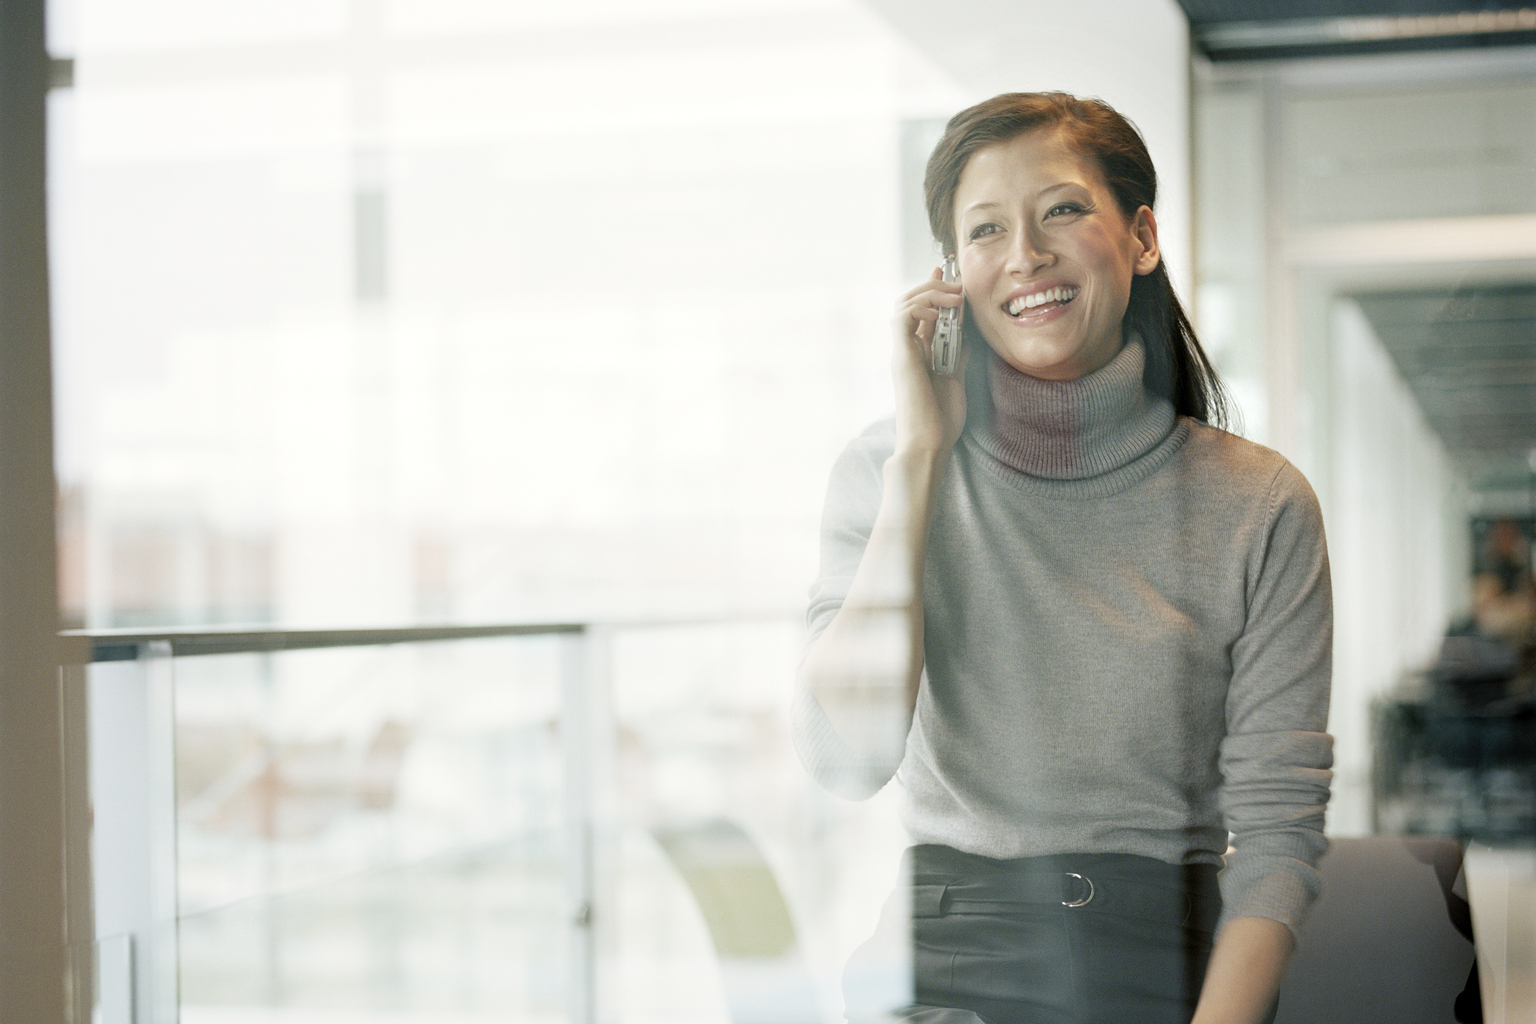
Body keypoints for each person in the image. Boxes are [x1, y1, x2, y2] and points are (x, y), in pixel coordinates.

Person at [793, 92, 1333, 1024]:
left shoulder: (1260, 503)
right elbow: (846, 758)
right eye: (986, 229)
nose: (1026, 255)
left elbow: (1279, 840)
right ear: (952, 274)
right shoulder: (886, 472)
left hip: (1166, 968)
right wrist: (922, 460)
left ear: (1143, 235)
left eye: (1063, 210)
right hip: (948, 965)